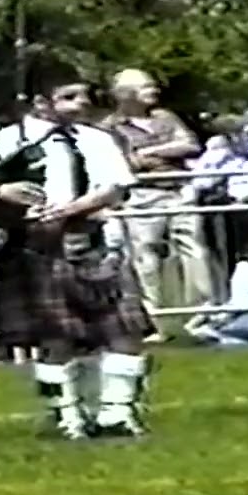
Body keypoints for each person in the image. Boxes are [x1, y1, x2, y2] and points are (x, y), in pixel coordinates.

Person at [0, 68, 155, 439]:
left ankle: (117, 413)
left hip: (94, 242)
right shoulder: (3, 140)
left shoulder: (98, 139)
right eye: (69, 97)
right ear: (41, 103)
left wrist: (74, 208)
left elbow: (115, 187)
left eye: (83, 95)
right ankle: (67, 416)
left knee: (124, 330)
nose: (82, 103)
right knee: (54, 338)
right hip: (35, 246)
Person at [103, 69, 213, 342]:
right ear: (126, 93)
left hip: (179, 189)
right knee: (145, 257)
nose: (154, 91)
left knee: (195, 250)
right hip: (142, 195)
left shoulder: (166, 117)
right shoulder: (110, 127)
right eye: (145, 87)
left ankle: (202, 317)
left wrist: (150, 152)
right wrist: (167, 150)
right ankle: (155, 322)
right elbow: (127, 162)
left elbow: (190, 145)